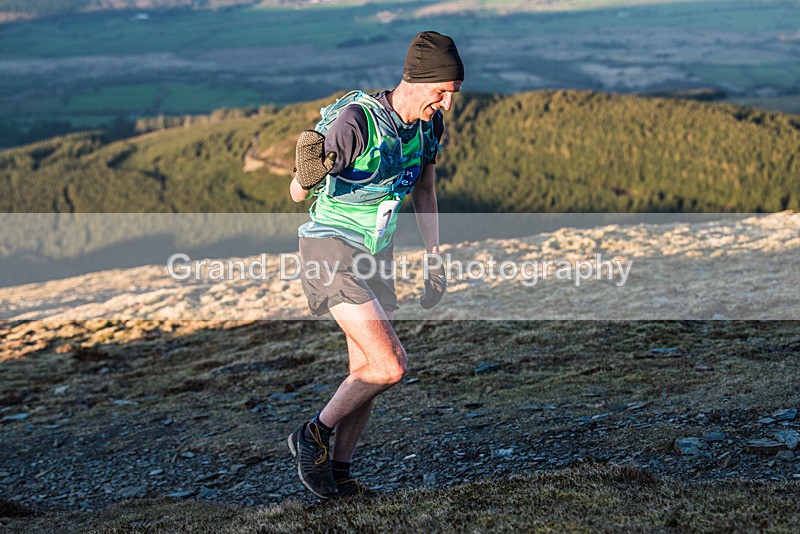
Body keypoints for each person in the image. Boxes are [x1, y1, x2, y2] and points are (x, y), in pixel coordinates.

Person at [287, 31, 464, 499]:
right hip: (330, 250)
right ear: (415, 80)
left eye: (453, 93)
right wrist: (306, 175)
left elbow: (424, 190)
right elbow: (297, 192)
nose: (446, 103)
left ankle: (340, 475)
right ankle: (312, 434)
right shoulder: (357, 121)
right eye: (440, 92)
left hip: (376, 254)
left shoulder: (427, 127)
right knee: (390, 365)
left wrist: (434, 259)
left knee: (366, 370)